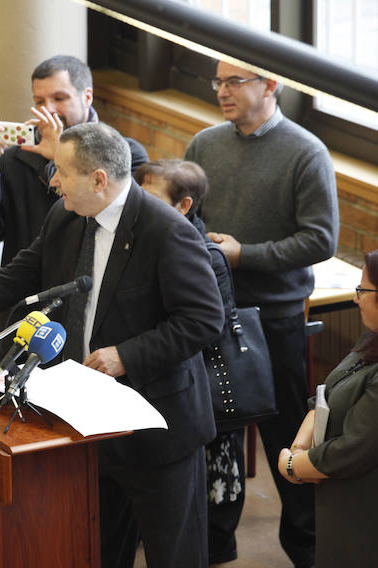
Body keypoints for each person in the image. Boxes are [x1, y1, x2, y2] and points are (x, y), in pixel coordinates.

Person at [0, 122, 224, 568]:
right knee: (98, 550)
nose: (52, 181)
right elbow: (15, 280)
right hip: (87, 423)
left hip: (158, 429)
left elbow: (204, 320)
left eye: (61, 172)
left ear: (98, 180)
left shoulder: (167, 231)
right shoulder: (66, 217)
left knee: (174, 555)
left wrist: (127, 355)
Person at [185, 60, 339, 567]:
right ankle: (216, 545)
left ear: (271, 85)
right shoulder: (205, 145)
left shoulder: (305, 151)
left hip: (273, 319)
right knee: (215, 433)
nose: (221, 91)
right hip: (210, 312)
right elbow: (188, 217)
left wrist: (242, 254)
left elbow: (320, 239)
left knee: (284, 435)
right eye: (218, 82)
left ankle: (307, 548)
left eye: (234, 81)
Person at [0, 55, 148, 356]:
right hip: (24, 321)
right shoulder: (17, 159)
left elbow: (105, 224)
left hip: (93, 324)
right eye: (40, 101)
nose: (49, 110)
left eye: (60, 98)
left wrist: (61, 154)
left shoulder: (124, 156)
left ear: (87, 97)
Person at [135, 159, 245, 564]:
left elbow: (206, 329)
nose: (137, 201)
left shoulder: (203, 254)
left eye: (149, 195)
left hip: (199, 389)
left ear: (182, 205)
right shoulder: (151, 237)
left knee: (204, 494)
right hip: (165, 385)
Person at [278, 249, 378, 567]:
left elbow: (356, 448)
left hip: (363, 513)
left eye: (363, 290)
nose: (356, 298)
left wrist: (294, 466)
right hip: (341, 501)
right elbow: (329, 390)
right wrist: (298, 447)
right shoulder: (372, 337)